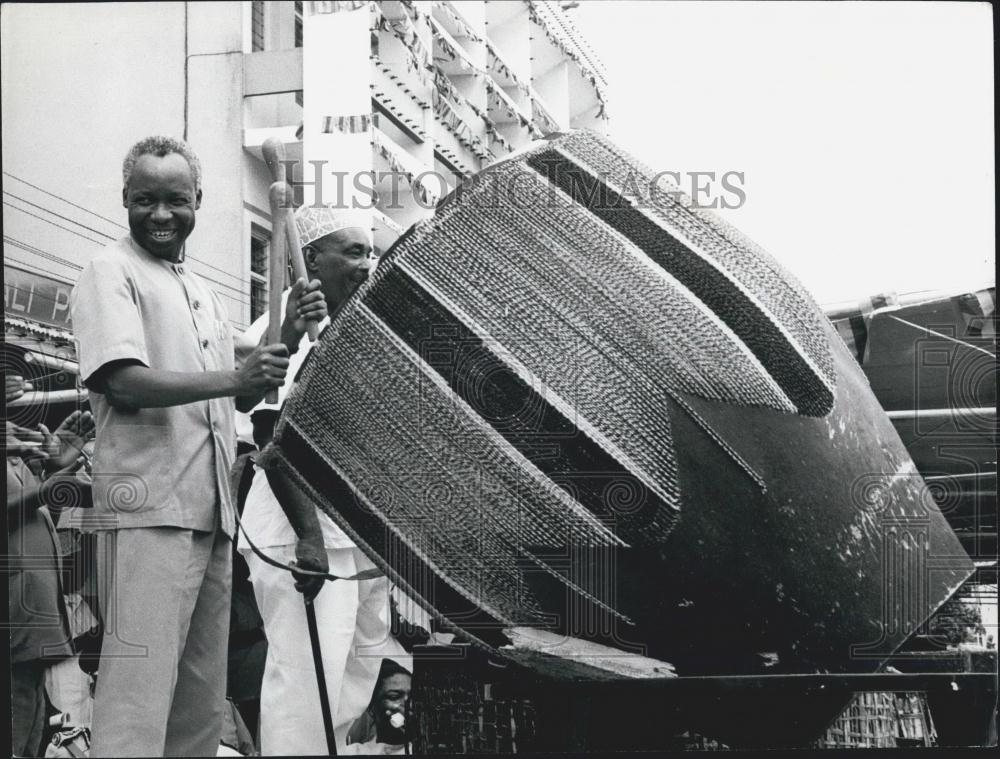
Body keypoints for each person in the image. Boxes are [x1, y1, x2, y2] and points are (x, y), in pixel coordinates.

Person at [68, 135, 326, 757]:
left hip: (211, 517)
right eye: (145, 200)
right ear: (125, 200)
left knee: (198, 707)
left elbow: (232, 401)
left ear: (198, 202)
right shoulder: (111, 271)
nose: (161, 214)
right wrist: (239, 376)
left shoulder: (202, 293)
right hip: (149, 514)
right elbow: (121, 381)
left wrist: (285, 333)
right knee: (138, 700)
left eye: (175, 200)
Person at [236, 205, 412, 755]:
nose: (367, 263)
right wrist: (309, 536)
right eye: (354, 252)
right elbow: (272, 439)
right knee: (305, 690)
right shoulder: (280, 331)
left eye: (371, 251)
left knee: (351, 685)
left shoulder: (357, 334)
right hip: (305, 539)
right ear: (311, 259)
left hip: (356, 540)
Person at [7, 388, 95, 757]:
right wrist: (46, 489)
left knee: (29, 737)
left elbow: (34, 525)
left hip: (32, 621)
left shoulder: (17, 460)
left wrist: (55, 474)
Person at [343, 658, 413, 755]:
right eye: (394, 696)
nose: (409, 704)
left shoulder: (428, 750)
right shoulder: (356, 752)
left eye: (413, 696)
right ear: (371, 708)